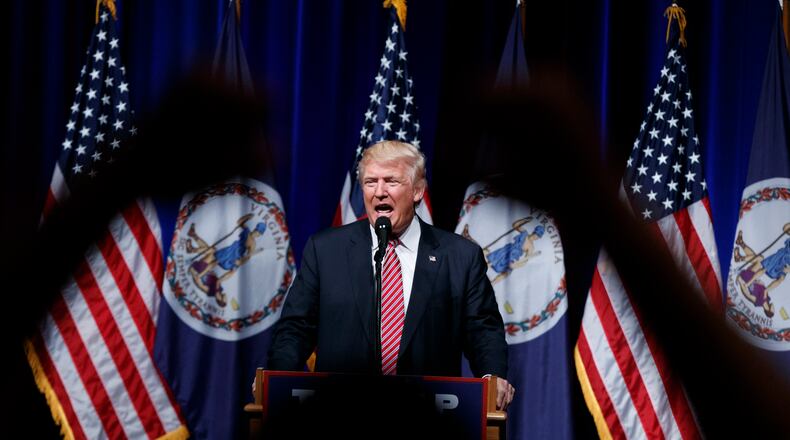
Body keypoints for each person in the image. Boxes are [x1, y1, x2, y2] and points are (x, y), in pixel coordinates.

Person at [267, 140, 514, 410]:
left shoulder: (460, 256)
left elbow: (482, 329)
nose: (379, 192)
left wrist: (493, 377)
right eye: (371, 182)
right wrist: (277, 379)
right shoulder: (326, 250)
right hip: (340, 410)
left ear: (418, 190)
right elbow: (296, 328)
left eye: (391, 181)